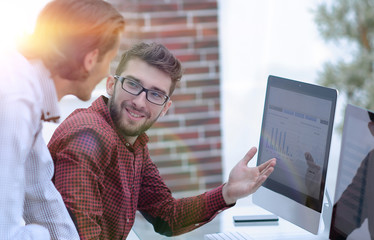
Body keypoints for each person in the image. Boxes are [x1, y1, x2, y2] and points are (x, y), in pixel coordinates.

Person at [48, 42, 277, 239]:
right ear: (111, 85)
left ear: (165, 108)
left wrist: (228, 192)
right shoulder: (87, 138)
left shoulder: (132, 142)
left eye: (155, 94)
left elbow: (167, 216)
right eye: (133, 84)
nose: (140, 101)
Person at [0, 0, 125, 239]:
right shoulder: (17, 101)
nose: (108, 72)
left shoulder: (27, 89)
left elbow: (40, 192)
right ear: (91, 59)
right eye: (110, 59)